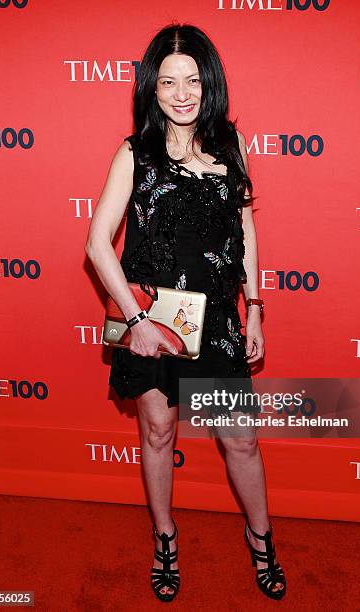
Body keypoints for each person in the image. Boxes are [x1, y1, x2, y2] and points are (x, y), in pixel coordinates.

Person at [85, 23, 286, 602]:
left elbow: (244, 229)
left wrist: (253, 308)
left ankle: (261, 536)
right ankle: (165, 538)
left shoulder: (229, 145)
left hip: (218, 321)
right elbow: (98, 244)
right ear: (151, 88)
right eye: (168, 81)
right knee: (157, 430)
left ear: (209, 83)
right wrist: (137, 321)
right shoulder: (135, 153)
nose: (181, 93)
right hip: (152, 317)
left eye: (192, 80)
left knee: (242, 440)